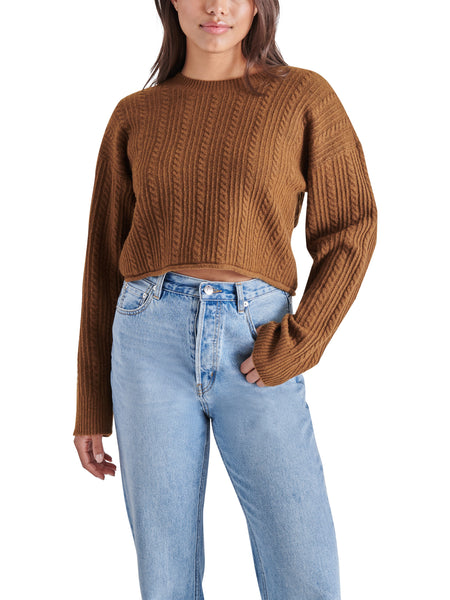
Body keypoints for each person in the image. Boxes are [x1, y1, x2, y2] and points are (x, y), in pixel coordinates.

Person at [73, 0, 377, 598]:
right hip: (147, 339)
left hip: (257, 339)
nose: (216, 6)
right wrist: (91, 402)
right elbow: (103, 261)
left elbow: (351, 228)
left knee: (303, 567)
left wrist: (301, 342)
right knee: (165, 573)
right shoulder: (136, 114)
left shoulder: (303, 97)